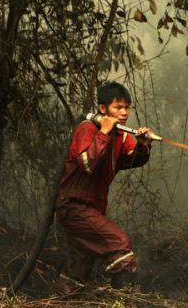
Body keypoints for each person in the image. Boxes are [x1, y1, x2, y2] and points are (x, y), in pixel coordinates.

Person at [55, 82, 153, 295]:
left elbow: (130, 160)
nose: (124, 113)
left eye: (127, 108)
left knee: (78, 269)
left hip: (93, 210)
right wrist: (105, 132)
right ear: (102, 109)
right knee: (120, 247)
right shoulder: (87, 129)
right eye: (118, 107)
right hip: (74, 208)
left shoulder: (122, 136)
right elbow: (88, 164)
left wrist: (142, 145)